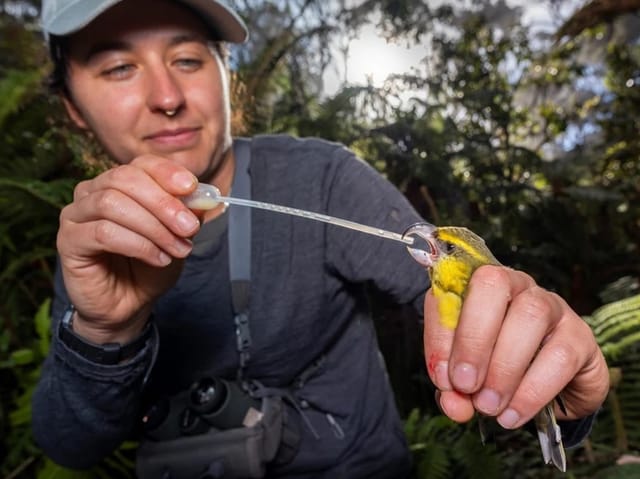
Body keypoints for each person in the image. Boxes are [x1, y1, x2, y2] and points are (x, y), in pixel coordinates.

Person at [32, 0, 609, 478]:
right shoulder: (92, 245)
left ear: (225, 74)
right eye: (117, 68)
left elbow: (471, 307)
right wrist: (103, 332)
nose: (166, 96)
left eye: (187, 58)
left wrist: (544, 375)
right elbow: (69, 446)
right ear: (73, 108)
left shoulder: (322, 181)